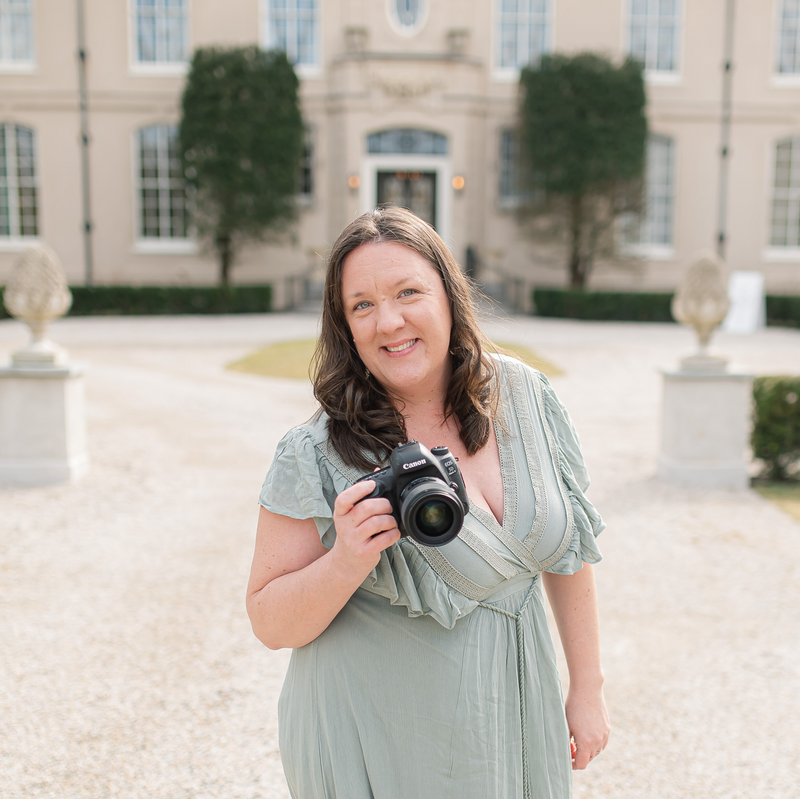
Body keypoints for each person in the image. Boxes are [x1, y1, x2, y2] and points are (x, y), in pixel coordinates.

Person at [246, 206, 610, 799]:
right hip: (384, 745)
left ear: (448, 292)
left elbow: (568, 550)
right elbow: (268, 622)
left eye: (407, 292)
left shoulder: (525, 395)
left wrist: (587, 687)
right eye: (361, 305)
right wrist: (346, 561)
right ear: (345, 326)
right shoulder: (317, 450)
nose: (388, 321)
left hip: (520, 721)